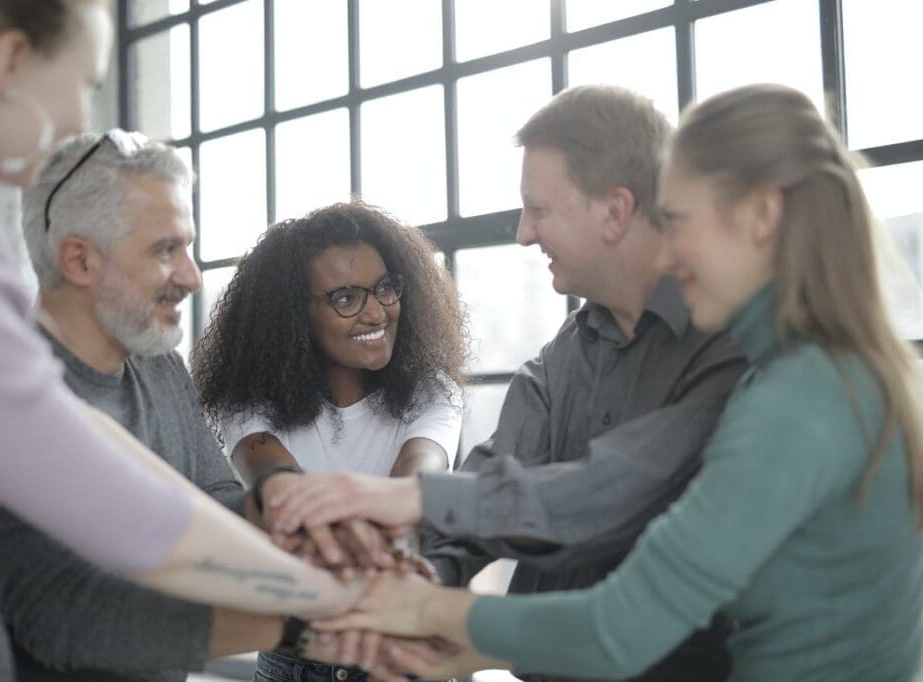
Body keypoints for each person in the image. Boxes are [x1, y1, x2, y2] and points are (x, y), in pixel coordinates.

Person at [311, 83, 923, 682]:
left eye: (678, 220)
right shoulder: (809, 377)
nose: (667, 247)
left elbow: (616, 605)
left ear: (761, 215)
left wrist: (419, 598)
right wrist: (429, 597)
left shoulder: (792, 395)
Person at [0, 2, 359, 680]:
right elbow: (120, 525)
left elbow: (137, 474)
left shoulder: (150, 365)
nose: (81, 122)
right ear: (10, 62)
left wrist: (277, 509)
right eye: (88, 81)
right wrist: (332, 610)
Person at [267, 85, 747, 680]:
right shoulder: (566, 354)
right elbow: (493, 484)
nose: (523, 233)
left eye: (539, 210)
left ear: (616, 211)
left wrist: (404, 502)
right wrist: (419, 576)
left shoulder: (729, 349)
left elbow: (605, 496)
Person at [0, 131, 307, 681]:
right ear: (80, 260)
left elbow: (211, 498)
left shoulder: (158, 364)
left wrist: (278, 510)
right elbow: (69, 617)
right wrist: (306, 623)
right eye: (165, 250)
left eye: (189, 247)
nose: (193, 276)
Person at [191, 200, 468, 682]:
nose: (376, 311)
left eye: (385, 287)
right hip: (295, 662)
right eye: (345, 298)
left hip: (401, 657)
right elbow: (282, 490)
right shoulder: (248, 403)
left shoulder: (433, 391)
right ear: (294, 315)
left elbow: (416, 482)